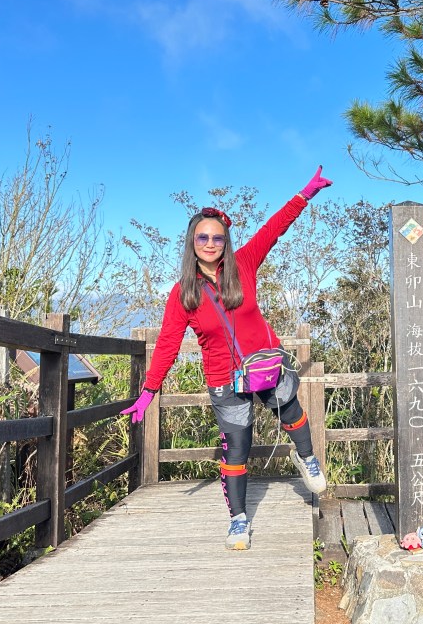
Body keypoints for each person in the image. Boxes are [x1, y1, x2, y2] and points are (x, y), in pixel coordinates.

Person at [120, 167, 332, 550]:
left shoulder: (244, 264)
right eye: (203, 237)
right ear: (192, 241)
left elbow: (274, 228)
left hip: (265, 363)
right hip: (223, 376)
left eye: (217, 237)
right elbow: (167, 343)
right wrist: (150, 389)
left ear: (226, 241)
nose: (210, 243)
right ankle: (238, 520)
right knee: (237, 447)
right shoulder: (182, 293)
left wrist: (304, 195)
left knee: (291, 411)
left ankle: (307, 457)